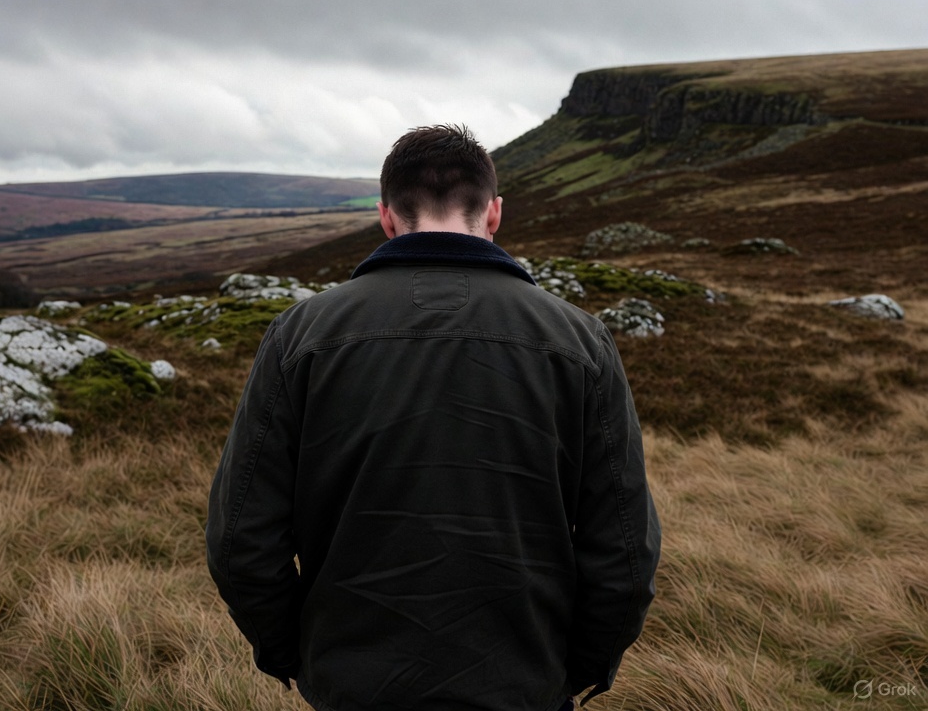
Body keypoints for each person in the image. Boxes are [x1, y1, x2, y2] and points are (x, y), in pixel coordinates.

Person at [206, 124, 660, 711]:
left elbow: (240, 538)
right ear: (493, 215)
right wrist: (577, 668)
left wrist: (296, 655)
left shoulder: (302, 334)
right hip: (525, 683)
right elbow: (624, 549)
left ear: (387, 217)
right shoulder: (579, 340)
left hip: (353, 686)